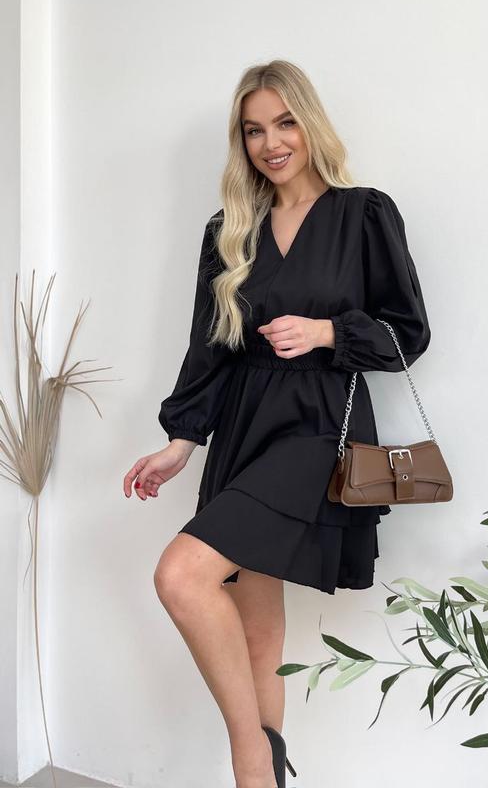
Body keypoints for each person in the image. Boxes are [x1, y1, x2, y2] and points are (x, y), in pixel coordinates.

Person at [123, 59, 431, 788]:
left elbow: (408, 335)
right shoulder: (229, 230)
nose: (271, 143)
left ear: (310, 123)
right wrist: (180, 441)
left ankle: (252, 755)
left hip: (321, 427)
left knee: (181, 576)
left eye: (285, 123)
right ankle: (262, 779)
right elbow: (211, 346)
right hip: (244, 425)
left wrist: (327, 333)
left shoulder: (364, 214)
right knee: (257, 624)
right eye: (254, 130)